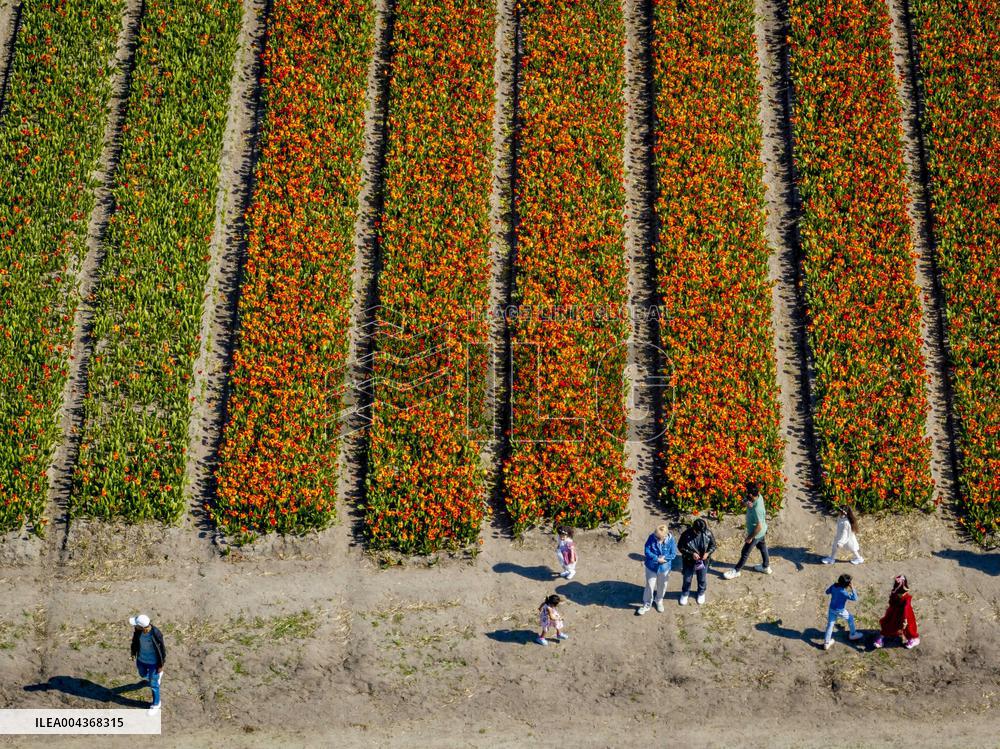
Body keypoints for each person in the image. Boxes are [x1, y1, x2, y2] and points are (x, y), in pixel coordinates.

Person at [723, 482, 771, 579]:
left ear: (750, 494)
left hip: (756, 533)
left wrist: (750, 537)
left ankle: (736, 570)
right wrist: (746, 503)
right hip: (761, 531)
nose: (745, 494)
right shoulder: (758, 496)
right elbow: (746, 501)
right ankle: (766, 567)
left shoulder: (758, 509)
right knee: (762, 547)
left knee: (745, 552)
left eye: (747, 493)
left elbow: (759, 527)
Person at [637, 524, 677, 615]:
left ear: (665, 536)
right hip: (651, 566)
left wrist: (665, 559)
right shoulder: (652, 537)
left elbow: (673, 554)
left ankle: (659, 600)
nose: (656, 538)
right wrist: (656, 558)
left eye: (659, 537)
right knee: (650, 585)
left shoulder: (671, 540)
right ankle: (646, 604)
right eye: (656, 536)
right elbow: (647, 550)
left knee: (662, 585)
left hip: (664, 568)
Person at [129, 613, 165, 713]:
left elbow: (162, 650)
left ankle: (156, 704)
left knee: (153, 684)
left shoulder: (155, 633)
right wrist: (133, 653)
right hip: (141, 659)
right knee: (142, 674)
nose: (134, 625)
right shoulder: (137, 631)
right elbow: (134, 642)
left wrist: (161, 665)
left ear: (141, 626)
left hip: (154, 663)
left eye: (136, 624)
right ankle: (155, 676)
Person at [678, 517, 716, 606]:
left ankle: (701, 593)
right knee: (687, 579)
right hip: (689, 561)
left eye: (702, 531)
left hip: (703, 561)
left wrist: (708, 553)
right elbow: (680, 547)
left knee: (702, 578)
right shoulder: (686, 534)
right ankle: (685, 593)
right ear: (694, 529)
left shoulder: (707, 533)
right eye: (699, 531)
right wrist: (691, 554)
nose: (701, 533)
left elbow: (713, 545)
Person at [874, 575, 919, 649]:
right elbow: (891, 602)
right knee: (889, 623)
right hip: (894, 612)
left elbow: (906, 609)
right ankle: (882, 636)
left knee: (908, 627)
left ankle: (913, 639)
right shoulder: (894, 593)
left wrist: (905, 620)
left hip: (905, 615)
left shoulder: (906, 598)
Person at [823, 574, 863, 650]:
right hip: (840, 611)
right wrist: (852, 588)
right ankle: (853, 634)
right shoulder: (844, 592)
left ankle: (826, 643)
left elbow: (827, 592)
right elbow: (855, 598)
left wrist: (832, 589)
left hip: (831, 609)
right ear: (847, 585)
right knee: (850, 618)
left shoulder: (834, 586)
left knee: (830, 625)